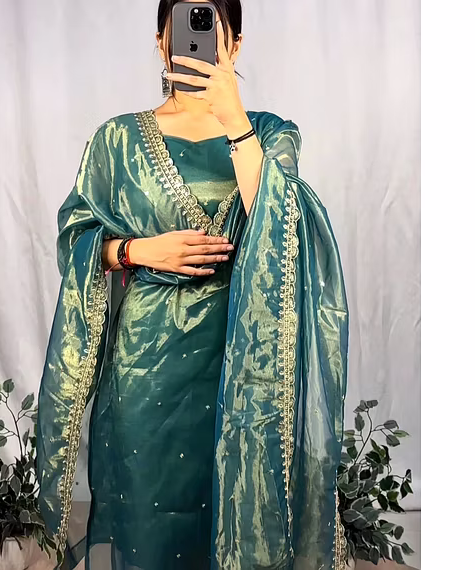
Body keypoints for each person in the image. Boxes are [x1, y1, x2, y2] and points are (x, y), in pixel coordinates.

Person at [36, 1, 349, 569]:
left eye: (211, 27)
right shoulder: (117, 140)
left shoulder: (270, 133)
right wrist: (137, 250)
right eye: (180, 27)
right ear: (161, 41)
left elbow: (282, 227)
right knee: (152, 524)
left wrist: (234, 120)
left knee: (238, 513)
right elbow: (74, 240)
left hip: (244, 367)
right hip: (147, 367)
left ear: (236, 42)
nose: (193, 41)